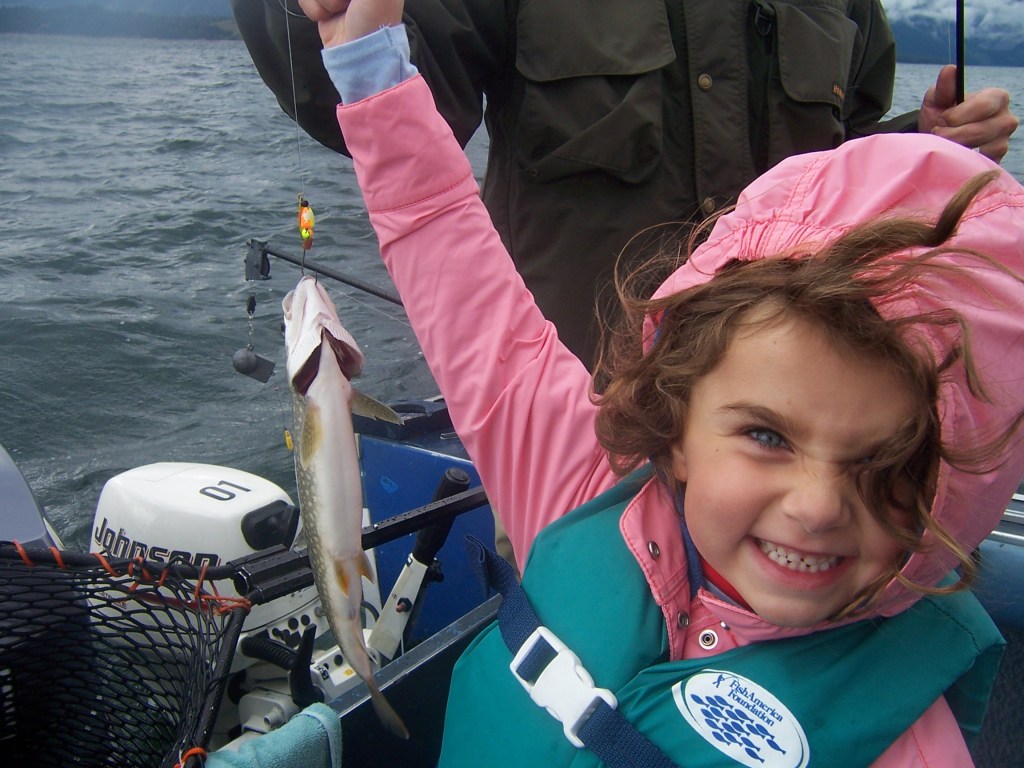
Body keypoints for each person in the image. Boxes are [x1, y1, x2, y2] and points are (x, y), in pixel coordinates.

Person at [295, 3, 1024, 766]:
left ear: (950, 493)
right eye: (767, 436)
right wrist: (367, 61)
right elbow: (446, 243)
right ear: (676, 428)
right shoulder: (574, 480)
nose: (816, 508)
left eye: (885, 464)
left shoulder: (914, 750)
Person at [232, 0, 1018, 369]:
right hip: (582, 419)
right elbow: (386, 109)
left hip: (804, 413)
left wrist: (924, 144)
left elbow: (844, 159)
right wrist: (312, 17)